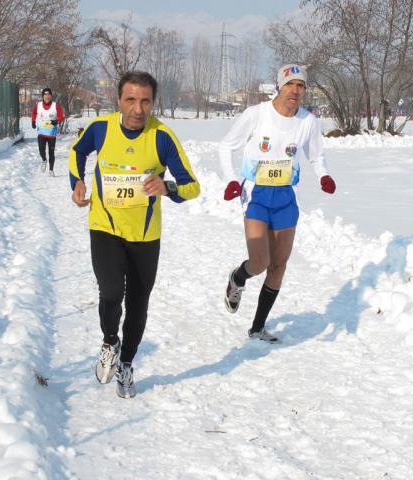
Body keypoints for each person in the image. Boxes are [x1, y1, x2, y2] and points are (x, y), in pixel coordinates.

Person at [69, 71, 200, 398]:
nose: (138, 109)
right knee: (111, 292)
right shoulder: (101, 129)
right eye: (131, 100)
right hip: (104, 226)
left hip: (145, 235)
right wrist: (78, 183)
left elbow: (192, 186)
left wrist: (167, 187)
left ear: (153, 103)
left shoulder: (162, 137)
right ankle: (110, 341)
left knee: (139, 304)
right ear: (119, 101)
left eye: (145, 101)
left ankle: (126, 363)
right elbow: (76, 152)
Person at [219, 63, 336, 343]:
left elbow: (315, 155)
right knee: (260, 262)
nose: (295, 90)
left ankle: (257, 327)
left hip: (285, 197)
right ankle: (238, 277)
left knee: (279, 265)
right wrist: (232, 180)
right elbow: (226, 146)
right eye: (290, 84)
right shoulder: (256, 114)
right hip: (256, 196)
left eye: (300, 86)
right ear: (279, 86)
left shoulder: (308, 121)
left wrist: (324, 175)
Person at [31, 87, 65, 176]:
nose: (47, 96)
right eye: (45, 94)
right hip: (41, 133)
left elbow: (61, 116)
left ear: (51, 96)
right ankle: (43, 160)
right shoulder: (38, 105)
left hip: (51, 134)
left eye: (49, 94)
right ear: (42, 96)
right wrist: (33, 121)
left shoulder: (56, 105)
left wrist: (57, 121)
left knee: (51, 152)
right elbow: (34, 113)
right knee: (41, 150)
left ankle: (51, 170)